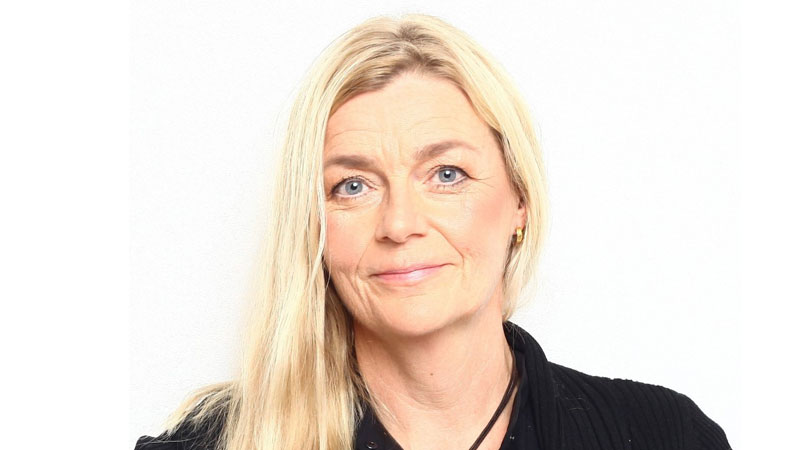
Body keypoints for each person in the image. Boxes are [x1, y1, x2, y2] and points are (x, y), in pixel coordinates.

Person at [134, 13, 731, 450]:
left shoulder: (666, 436)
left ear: (520, 200)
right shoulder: (211, 444)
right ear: (313, 224)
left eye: (447, 175)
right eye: (352, 186)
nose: (399, 224)